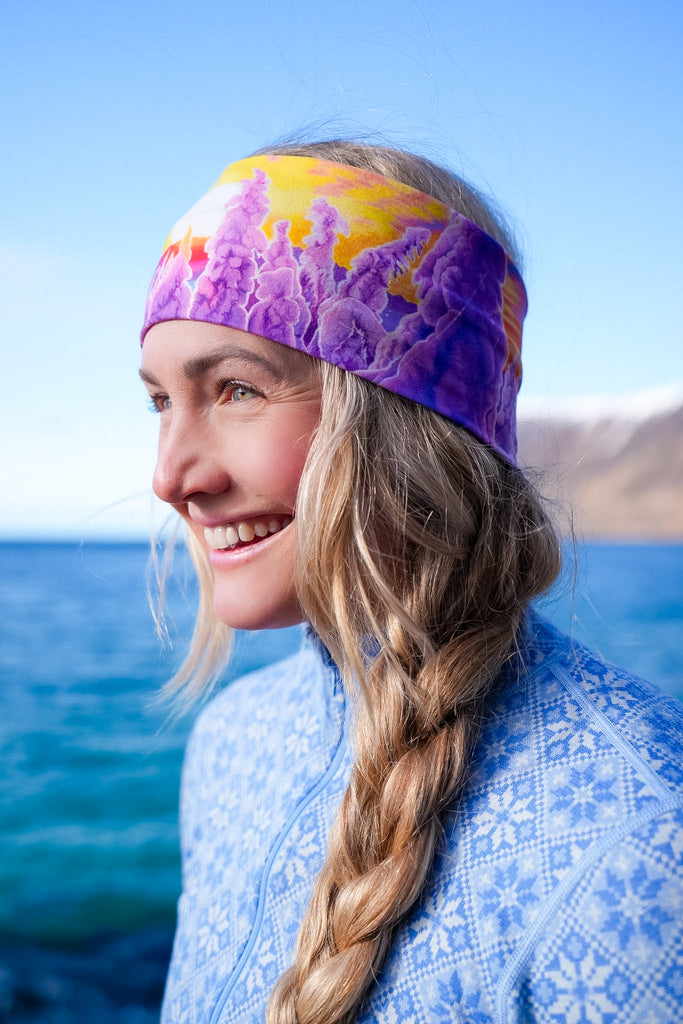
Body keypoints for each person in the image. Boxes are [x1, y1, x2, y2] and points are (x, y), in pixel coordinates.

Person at [139, 141, 683, 1024]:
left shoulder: (643, 841)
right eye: (160, 400)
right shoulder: (230, 746)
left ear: (408, 420)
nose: (170, 474)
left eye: (237, 389)